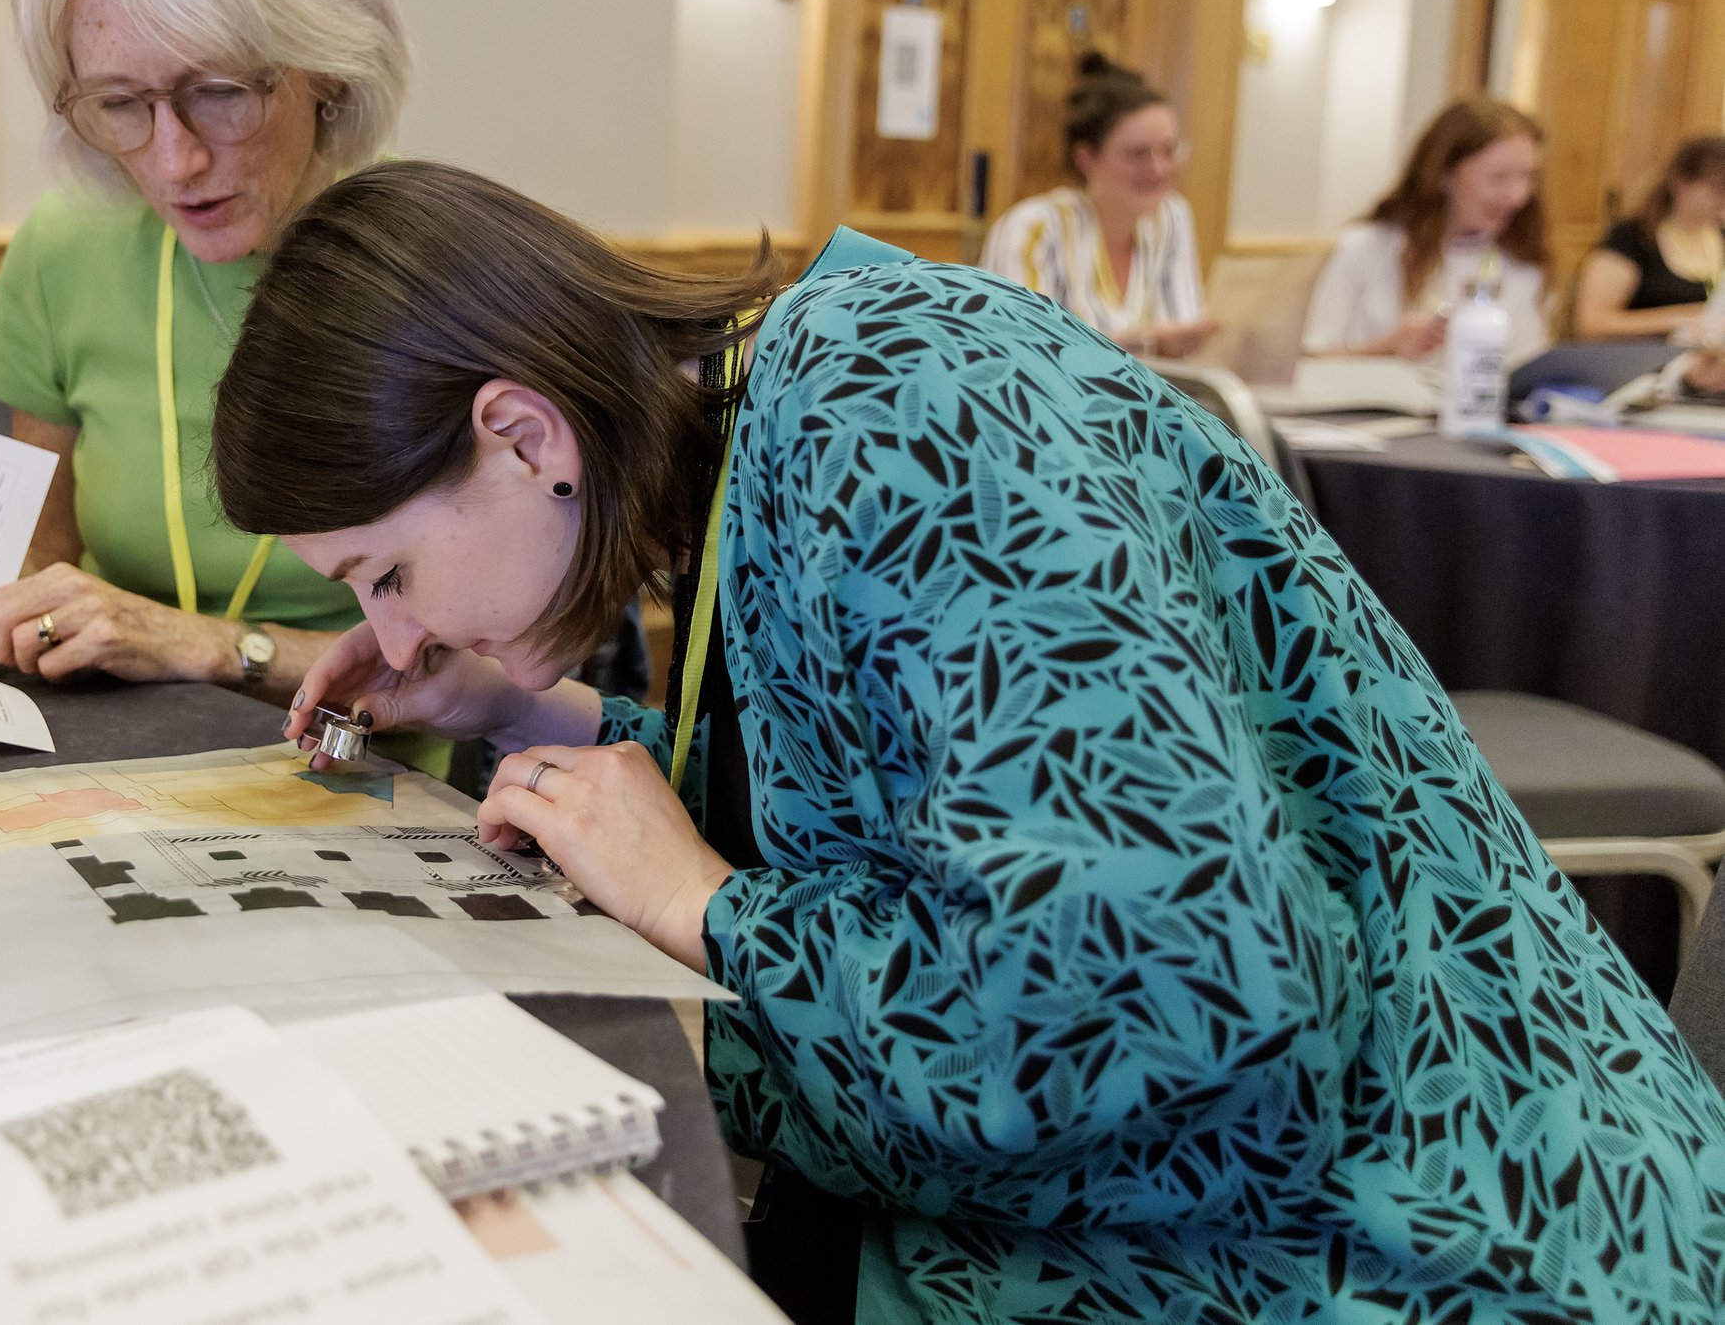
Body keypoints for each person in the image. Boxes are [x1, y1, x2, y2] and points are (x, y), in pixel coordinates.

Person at [210, 159, 1725, 1325]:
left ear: (525, 435)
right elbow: (893, 786)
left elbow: (1169, 995)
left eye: (384, 574)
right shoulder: (783, 418)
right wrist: (522, 711)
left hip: (1433, 1240)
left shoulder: (897, 394)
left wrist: (710, 906)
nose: (393, 638)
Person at [0, 0, 407, 697]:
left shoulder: (431, 264)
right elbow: (42, 555)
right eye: (119, 105)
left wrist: (213, 646)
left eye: (219, 90)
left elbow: (480, 675)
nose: (176, 159)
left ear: (328, 60)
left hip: (375, 766)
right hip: (124, 737)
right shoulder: (68, 245)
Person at [980, 51, 1219, 357]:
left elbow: (1187, 334)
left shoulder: (1173, 217)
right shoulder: (1032, 228)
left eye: (1169, 151)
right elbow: (1024, 354)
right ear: (1087, 159)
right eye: (1138, 154)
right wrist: (1148, 342)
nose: (1158, 169)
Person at [1301, 97, 1549, 362]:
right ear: (1444, 174)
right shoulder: (1366, 248)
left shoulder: (1522, 262)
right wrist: (1386, 348)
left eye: (1527, 177)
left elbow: (1527, 368)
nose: (1517, 197)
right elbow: (1312, 361)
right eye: (1498, 178)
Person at [1572, 134, 1725, 342]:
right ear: (1680, 183)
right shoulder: (1632, 238)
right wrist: (1684, 318)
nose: (1722, 201)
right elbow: (1590, 324)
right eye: (1718, 189)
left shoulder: (1720, 237)